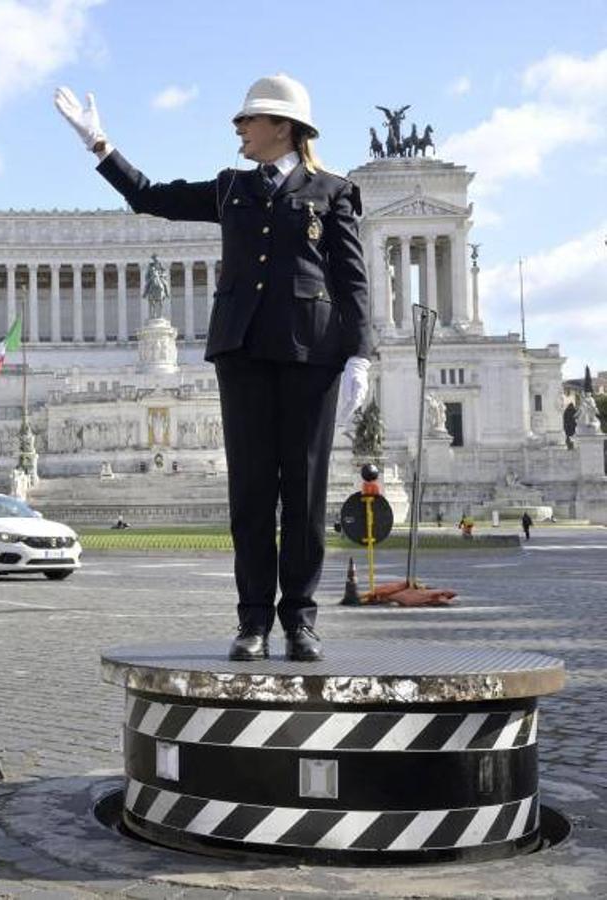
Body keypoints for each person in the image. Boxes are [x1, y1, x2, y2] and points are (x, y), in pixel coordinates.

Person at [55, 75, 371, 662]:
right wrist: (100, 144)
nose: (238, 129)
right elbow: (151, 196)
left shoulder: (334, 191)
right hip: (243, 350)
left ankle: (300, 620)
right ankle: (252, 621)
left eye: (249, 120)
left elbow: (351, 277)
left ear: (284, 127)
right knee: (250, 493)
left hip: (311, 355)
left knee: (304, 494)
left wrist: (360, 353)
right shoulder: (230, 188)